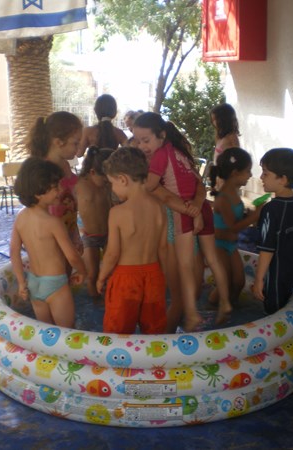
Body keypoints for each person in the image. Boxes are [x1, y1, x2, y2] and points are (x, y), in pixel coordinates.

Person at [134, 112, 231, 330]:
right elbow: (199, 185)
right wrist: (197, 208)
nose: (141, 146)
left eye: (145, 140)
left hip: (182, 213)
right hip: (200, 208)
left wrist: (137, 181)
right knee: (212, 259)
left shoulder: (160, 157)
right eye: (138, 141)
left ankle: (191, 314)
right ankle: (225, 302)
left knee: (184, 268)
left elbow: (152, 187)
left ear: (161, 135)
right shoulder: (179, 153)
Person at [97, 147, 168, 334]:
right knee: (154, 333)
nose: (112, 189)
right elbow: (163, 248)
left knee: (118, 332)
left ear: (123, 179)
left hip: (126, 279)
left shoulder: (118, 213)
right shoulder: (159, 208)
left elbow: (112, 254)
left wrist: (101, 277)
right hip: (154, 276)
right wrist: (165, 277)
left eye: (112, 183)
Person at [10, 157, 87, 327]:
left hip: (33, 283)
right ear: (38, 193)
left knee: (47, 333)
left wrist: (21, 282)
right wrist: (82, 271)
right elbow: (72, 256)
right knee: (67, 333)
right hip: (55, 284)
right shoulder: (53, 222)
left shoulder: (21, 217)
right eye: (55, 187)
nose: (61, 190)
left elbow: (14, 252)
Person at [252, 148, 293, 314]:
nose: (261, 177)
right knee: (285, 303)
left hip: (276, 272)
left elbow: (267, 249)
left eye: (265, 173)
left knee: (273, 310)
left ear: (283, 179)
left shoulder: (271, 210)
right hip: (292, 267)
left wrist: (258, 280)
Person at [210, 148, 263, 305]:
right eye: (247, 171)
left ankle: (231, 310)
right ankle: (211, 308)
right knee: (224, 283)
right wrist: (255, 216)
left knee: (239, 282)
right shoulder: (223, 198)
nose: (250, 175)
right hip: (219, 245)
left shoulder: (234, 193)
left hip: (231, 244)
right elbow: (233, 227)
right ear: (235, 173)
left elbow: (235, 220)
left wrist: (248, 215)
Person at [27, 111, 84, 254]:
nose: (79, 149)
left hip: (69, 229)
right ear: (58, 142)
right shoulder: (42, 170)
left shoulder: (65, 165)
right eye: (75, 143)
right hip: (51, 238)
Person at [74, 146, 115, 300]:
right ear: (92, 172)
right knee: (92, 274)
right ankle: (95, 302)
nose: (107, 183)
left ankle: (110, 300)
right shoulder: (79, 184)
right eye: (104, 180)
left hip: (108, 234)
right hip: (89, 236)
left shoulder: (108, 184)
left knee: (111, 271)